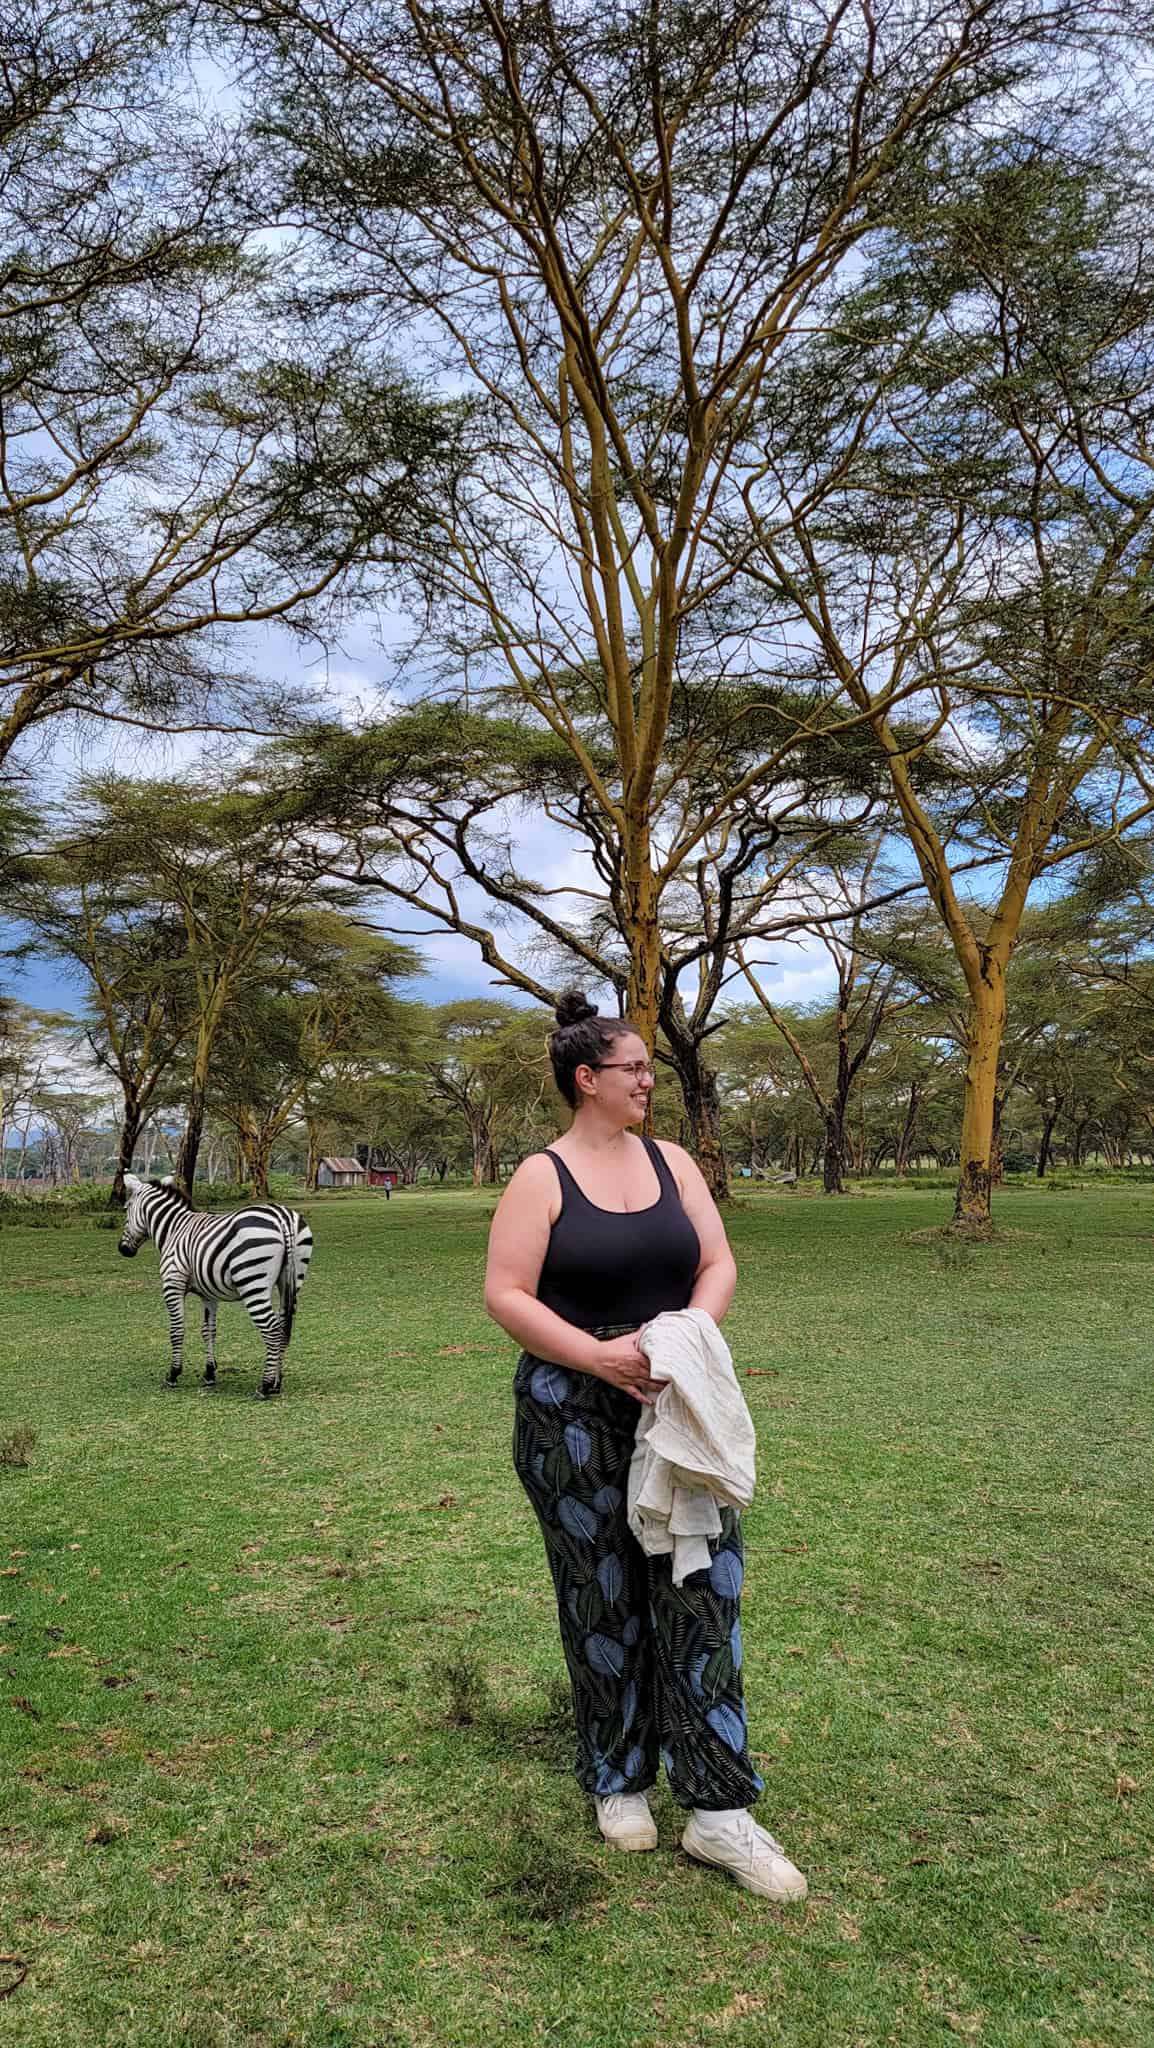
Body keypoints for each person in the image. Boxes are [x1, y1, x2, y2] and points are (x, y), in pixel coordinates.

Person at [484, 990, 807, 1903]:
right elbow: (506, 1292)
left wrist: (683, 1340)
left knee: (700, 1591)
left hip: (677, 1406)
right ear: (586, 1081)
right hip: (571, 1413)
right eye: (633, 1070)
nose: (647, 1084)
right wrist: (600, 1355)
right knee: (601, 1594)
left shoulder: (674, 1164)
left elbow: (718, 1261)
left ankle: (717, 1811)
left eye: (649, 1072)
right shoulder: (540, 1177)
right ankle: (618, 1776)